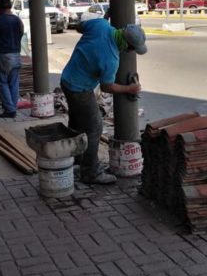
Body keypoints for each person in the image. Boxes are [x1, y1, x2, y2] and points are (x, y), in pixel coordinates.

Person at [60, 18, 147, 184]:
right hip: (80, 89)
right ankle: (90, 172)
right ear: (127, 45)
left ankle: (77, 159)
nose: (130, 52)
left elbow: (80, 26)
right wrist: (129, 89)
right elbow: (107, 87)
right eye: (131, 49)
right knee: (94, 127)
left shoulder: (100, 25)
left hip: (67, 80)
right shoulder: (111, 59)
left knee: (78, 125)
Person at [0, 0, 24, 118]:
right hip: (17, 55)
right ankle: (12, 107)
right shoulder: (17, 20)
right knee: (13, 83)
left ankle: (9, 109)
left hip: (3, 56)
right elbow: (21, 33)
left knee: (1, 82)